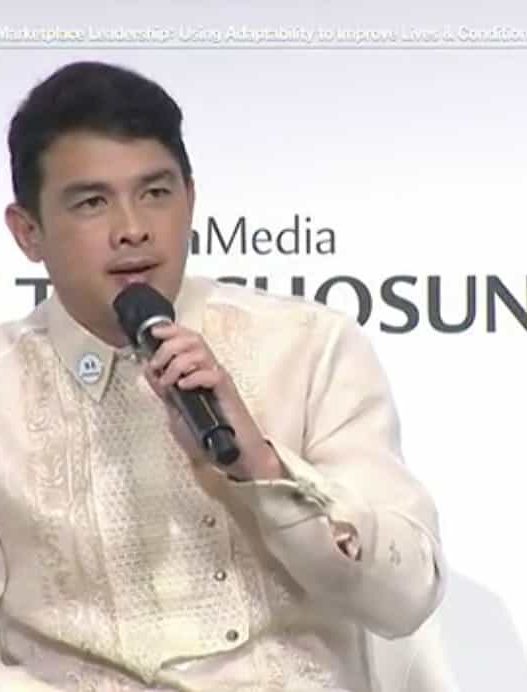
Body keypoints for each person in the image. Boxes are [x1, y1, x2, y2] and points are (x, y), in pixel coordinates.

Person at [0, 61, 446, 691]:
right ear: (28, 233)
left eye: (156, 193)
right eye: (93, 202)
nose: (133, 229)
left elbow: (406, 597)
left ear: (190, 198)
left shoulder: (308, 348)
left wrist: (261, 465)